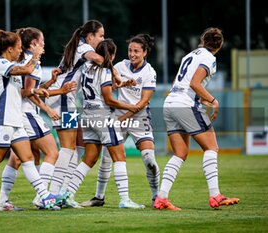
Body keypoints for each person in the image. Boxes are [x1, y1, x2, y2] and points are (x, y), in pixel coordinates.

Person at [0, 29, 62, 212]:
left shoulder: (9, 64)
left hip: (15, 120)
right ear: (8, 49)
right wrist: (36, 56)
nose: (19, 51)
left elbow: (23, 90)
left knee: (28, 158)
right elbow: (27, 69)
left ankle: (44, 196)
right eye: (17, 48)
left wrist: (39, 89)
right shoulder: (1, 63)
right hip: (2, 120)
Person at [154, 27, 239, 210]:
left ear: (202, 40)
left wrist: (201, 98)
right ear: (220, 45)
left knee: (180, 153)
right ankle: (215, 195)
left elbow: (187, 83)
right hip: (185, 104)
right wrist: (213, 100)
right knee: (211, 147)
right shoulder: (210, 58)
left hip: (170, 103)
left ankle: (161, 198)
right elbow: (194, 83)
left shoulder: (190, 55)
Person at [0, 27, 76, 211]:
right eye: (42, 41)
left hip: (20, 113)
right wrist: (47, 108)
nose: (44, 44)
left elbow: (34, 88)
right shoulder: (33, 62)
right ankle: (44, 196)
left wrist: (54, 85)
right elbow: (27, 92)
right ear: (34, 43)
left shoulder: (22, 60)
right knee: (57, 150)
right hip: (32, 113)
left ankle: (2, 200)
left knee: (17, 159)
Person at [63, 39, 145, 209]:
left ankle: (68, 195)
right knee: (120, 156)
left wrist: (122, 83)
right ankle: (125, 200)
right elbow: (108, 99)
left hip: (87, 115)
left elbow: (101, 87)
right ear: (112, 54)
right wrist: (131, 106)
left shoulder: (87, 67)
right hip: (102, 116)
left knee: (89, 158)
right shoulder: (106, 70)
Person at [80, 34, 160, 207]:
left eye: (137, 51)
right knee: (107, 157)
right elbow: (110, 85)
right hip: (117, 115)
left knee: (149, 159)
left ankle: (156, 197)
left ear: (145, 52)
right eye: (130, 50)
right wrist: (121, 85)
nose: (132, 54)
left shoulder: (150, 72)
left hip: (139, 118)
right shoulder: (119, 65)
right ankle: (99, 197)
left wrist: (123, 117)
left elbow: (142, 102)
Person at [46, 20, 105, 196]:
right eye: (101, 36)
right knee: (67, 149)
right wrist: (109, 58)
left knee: (79, 143)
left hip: (64, 98)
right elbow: (98, 59)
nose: (103, 39)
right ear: (90, 36)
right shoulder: (83, 48)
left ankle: (64, 192)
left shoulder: (78, 46)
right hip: (63, 99)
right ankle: (53, 193)